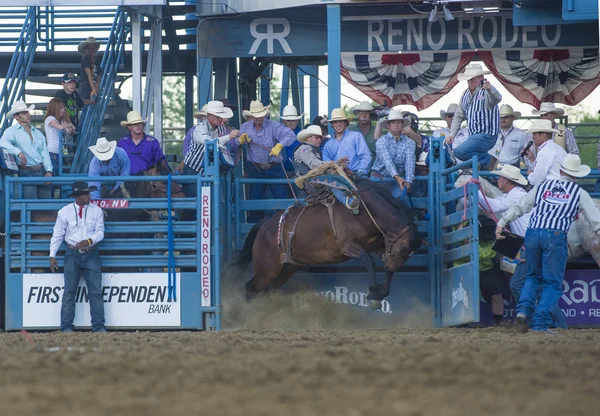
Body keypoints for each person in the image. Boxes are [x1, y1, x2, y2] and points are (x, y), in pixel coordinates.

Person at [496, 155, 600, 333]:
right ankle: (540, 324)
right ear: (576, 175)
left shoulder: (542, 186)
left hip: (533, 233)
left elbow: (522, 206)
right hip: (556, 236)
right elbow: (595, 220)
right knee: (552, 283)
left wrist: (502, 222)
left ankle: (522, 310)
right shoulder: (579, 192)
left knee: (532, 277)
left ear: (560, 171)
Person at [50, 181, 106, 333]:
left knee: (95, 291)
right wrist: (52, 254)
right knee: (69, 292)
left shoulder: (97, 211)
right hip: (72, 253)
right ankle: (67, 326)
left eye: (88, 193)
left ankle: (98, 326)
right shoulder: (64, 212)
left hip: (90, 252)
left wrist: (89, 240)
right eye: (85, 194)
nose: (88, 196)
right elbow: (58, 235)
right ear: (77, 196)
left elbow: (100, 232)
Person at [231, 100, 296, 222]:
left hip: (274, 167)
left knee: (281, 200)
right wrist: (240, 140)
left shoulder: (274, 126)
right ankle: (253, 231)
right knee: (255, 202)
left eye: (261, 115)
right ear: (252, 116)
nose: (259, 118)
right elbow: (234, 142)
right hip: (255, 168)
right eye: (256, 115)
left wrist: (280, 145)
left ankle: (284, 228)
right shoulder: (245, 127)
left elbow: (290, 135)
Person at [445, 64, 501, 169]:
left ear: (481, 78)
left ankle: (489, 162)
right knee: (467, 155)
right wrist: (452, 134)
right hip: (474, 137)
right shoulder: (465, 94)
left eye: (472, 79)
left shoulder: (487, 91)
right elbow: (458, 115)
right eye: (468, 80)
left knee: (459, 152)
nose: (469, 82)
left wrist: (491, 89)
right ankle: (486, 169)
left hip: (487, 135)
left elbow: (496, 98)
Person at [293, 124, 358, 211]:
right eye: (317, 138)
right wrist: (334, 163)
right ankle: (348, 201)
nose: (319, 140)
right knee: (330, 179)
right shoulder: (304, 149)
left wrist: (337, 163)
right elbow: (314, 164)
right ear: (308, 138)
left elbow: (320, 166)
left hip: (314, 179)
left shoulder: (313, 149)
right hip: (308, 182)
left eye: (320, 138)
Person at [182, 101, 239, 196]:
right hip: (193, 170)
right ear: (209, 116)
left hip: (208, 171)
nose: (221, 118)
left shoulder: (221, 129)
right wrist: (229, 137)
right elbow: (209, 143)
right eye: (218, 116)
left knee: (206, 202)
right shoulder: (200, 129)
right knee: (194, 202)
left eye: (221, 116)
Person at [0, 100, 53, 199]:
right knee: (30, 205)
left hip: (42, 170)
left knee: (46, 205)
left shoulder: (37, 133)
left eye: (28, 112)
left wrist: (49, 170)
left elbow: (44, 153)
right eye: (24, 113)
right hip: (26, 172)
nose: (28, 114)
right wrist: (18, 152)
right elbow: (2, 142)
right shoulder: (11, 131)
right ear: (16, 117)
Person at [370, 110, 415, 199]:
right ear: (388, 125)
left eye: (399, 122)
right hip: (379, 178)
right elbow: (387, 161)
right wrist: (397, 177)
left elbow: (409, 164)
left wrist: (408, 181)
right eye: (393, 122)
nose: (396, 124)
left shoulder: (410, 143)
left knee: (401, 201)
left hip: (397, 181)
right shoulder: (381, 141)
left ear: (402, 125)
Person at [323, 108, 371, 176]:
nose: (338, 124)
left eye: (340, 121)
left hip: (355, 174)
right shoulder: (328, 145)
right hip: (336, 177)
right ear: (332, 125)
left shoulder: (356, 136)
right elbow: (326, 165)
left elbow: (366, 156)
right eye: (335, 122)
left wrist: (360, 173)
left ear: (345, 123)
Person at [117, 111, 166, 175]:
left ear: (143, 125)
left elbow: (160, 162)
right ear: (129, 127)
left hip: (147, 181)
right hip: (127, 179)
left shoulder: (153, 142)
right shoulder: (122, 142)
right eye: (135, 124)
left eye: (140, 123)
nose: (138, 126)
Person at [524, 120, 566, 186]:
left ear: (543, 135)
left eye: (534, 134)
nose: (533, 137)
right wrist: (532, 159)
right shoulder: (559, 148)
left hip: (551, 188)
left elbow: (536, 180)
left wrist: (530, 174)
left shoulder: (544, 152)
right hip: (563, 185)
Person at [488, 104, 528, 170]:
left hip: (512, 168)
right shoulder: (492, 133)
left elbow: (526, 155)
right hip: (494, 168)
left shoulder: (521, 135)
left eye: (506, 117)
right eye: (501, 118)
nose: (503, 120)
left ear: (512, 118)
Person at [44, 98, 75, 178]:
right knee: (55, 176)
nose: (63, 110)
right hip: (53, 153)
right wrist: (69, 125)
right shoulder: (50, 119)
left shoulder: (60, 120)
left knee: (62, 176)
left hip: (62, 151)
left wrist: (69, 127)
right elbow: (61, 127)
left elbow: (71, 130)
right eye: (61, 108)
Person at [280, 104, 303, 175]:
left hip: (299, 172)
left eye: (293, 120)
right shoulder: (277, 135)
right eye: (288, 120)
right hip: (280, 172)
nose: (291, 123)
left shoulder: (303, 135)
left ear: (297, 121)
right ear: (284, 121)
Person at [78, 37, 102, 103]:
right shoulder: (85, 58)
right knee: (86, 108)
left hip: (93, 86)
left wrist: (97, 86)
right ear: (86, 49)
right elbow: (89, 75)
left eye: (94, 48)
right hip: (85, 88)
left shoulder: (96, 59)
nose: (92, 50)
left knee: (94, 106)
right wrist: (94, 89)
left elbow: (99, 74)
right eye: (90, 48)